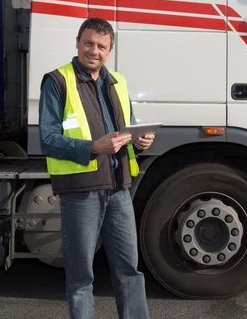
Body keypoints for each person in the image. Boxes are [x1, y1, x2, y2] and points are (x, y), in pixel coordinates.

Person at [38, 17, 154, 319]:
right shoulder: (57, 81)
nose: (94, 50)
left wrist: (139, 140)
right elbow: (48, 139)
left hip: (118, 189)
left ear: (110, 49)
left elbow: (126, 126)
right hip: (81, 191)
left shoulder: (117, 81)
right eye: (89, 43)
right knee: (80, 278)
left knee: (130, 271)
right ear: (77, 42)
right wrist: (92, 147)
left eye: (101, 46)